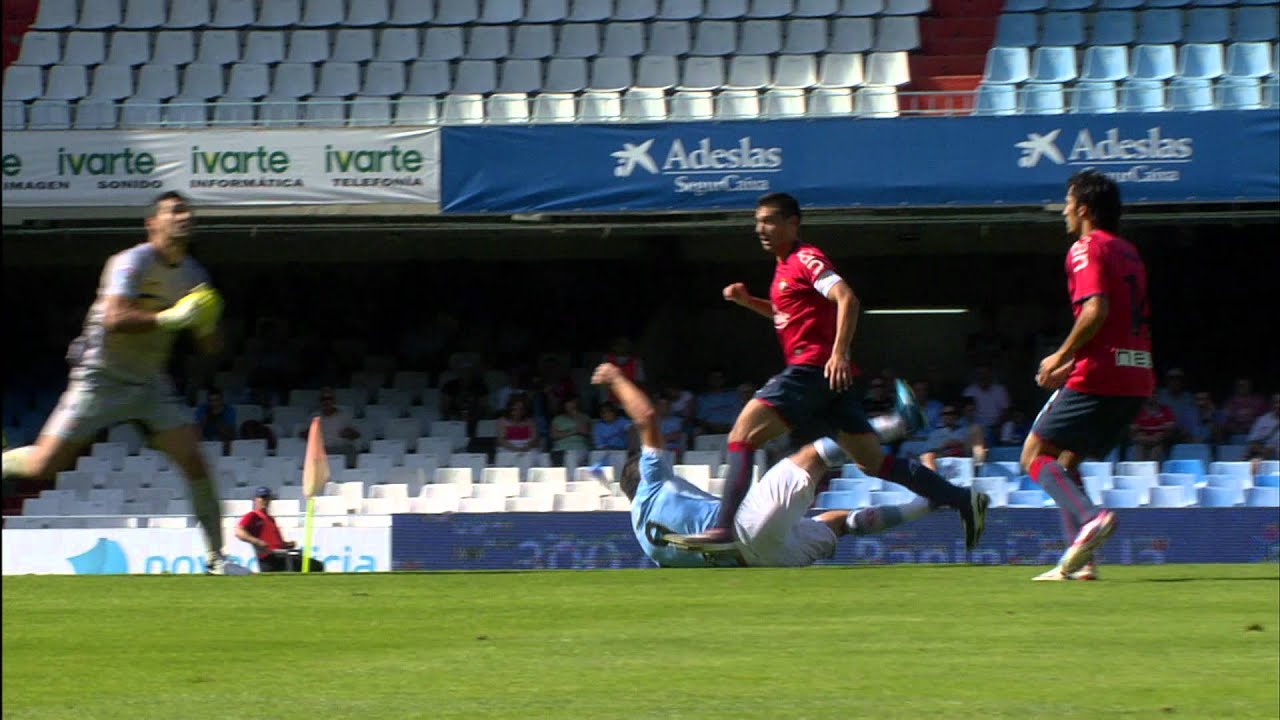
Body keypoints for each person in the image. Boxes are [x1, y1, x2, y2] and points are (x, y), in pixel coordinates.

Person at [671, 192, 986, 549]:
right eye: (757, 222)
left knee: (742, 434)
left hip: (813, 367)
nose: (761, 228)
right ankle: (962, 499)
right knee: (874, 463)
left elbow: (847, 298)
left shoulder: (806, 257)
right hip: (831, 380)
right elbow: (785, 315)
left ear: (793, 223)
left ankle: (724, 530)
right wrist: (749, 302)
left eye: (770, 221)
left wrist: (838, 353)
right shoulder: (783, 268)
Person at [0, 191, 231, 574]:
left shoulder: (195, 275)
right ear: (152, 223)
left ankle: (216, 559)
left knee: (194, 460)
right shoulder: (129, 262)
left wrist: (207, 324)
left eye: (187, 211)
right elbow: (114, 318)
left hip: (150, 384)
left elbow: (210, 347)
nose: (184, 216)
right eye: (175, 211)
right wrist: (171, 318)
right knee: (44, 463)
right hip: (101, 376)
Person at [593, 362, 963, 567]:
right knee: (812, 456)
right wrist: (615, 377)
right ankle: (900, 423)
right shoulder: (652, 481)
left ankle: (927, 503)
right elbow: (647, 418)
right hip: (747, 529)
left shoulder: (645, 540)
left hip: (761, 562)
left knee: (836, 524)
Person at [1022, 170, 1154, 582]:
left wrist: (1060, 355)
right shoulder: (1129, 252)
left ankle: (1091, 518)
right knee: (1067, 460)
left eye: (1067, 202)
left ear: (1083, 208)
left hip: (1102, 372)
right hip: (1138, 375)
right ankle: (1081, 564)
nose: (1063, 210)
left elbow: (1096, 311)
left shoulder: (1086, 247)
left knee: (1033, 454)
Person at [235, 486, 324, 573]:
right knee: (316, 566)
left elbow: (277, 543)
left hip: (280, 556)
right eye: (262, 498)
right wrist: (256, 541)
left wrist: (287, 544)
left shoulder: (270, 519)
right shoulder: (253, 516)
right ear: (256, 500)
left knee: (315, 565)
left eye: (267, 498)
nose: (265, 501)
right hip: (269, 558)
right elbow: (239, 531)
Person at [921, 402, 987, 473]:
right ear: (941, 417)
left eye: (952, 413)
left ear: (956, 416)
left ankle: (978, 468)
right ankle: (932, 479)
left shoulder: (965, 430)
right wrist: (944, 446)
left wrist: (960, 444)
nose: (948, 416)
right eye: (945, 414)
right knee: (927, 456)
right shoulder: (935, 433)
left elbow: (978, 445)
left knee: (976, 428)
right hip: (943, 457)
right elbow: (927, 452)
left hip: (964, 455)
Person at [308, 386, 361, 463]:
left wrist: (350, 433)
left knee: (351, 450)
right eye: (323, 399)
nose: (326, 401)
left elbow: (357, 435)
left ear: (334, 400)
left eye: (329, 398)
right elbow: (305, 434)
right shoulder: (314, 416)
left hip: (342, 448)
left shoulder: (345, 415)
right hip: (323, 450)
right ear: (320, 401)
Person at [1129, 395, 1177, 461]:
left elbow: (1171, 427)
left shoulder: (1165, 409)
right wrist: (1148, 438)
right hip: (1142, 440)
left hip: (1160, 441)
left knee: (1156, 449)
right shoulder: (1138, 411)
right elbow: (1132, 430)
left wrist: (1159, 435)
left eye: (1154, 393)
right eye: (1149, 394)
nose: (1152, 396)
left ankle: (1152, 470)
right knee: (1139, 448)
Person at [195, 386, 237, 453]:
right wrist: (208, 415)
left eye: (217, 400)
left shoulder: (229, 410)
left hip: (222, 440)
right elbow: (197, 431)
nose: (214, 403)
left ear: (222, 400)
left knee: (227, 440)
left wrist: (217, 417)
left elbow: (231, 434)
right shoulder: (202, 409)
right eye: (211, 401)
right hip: (205, 439)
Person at [1246, 393, 1279, 462]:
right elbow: (1253, 442)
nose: (1278, 405)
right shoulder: (1262, 420)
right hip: (1264, 458)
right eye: (1276, 402)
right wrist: (1263, 451)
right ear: (1271, 404)